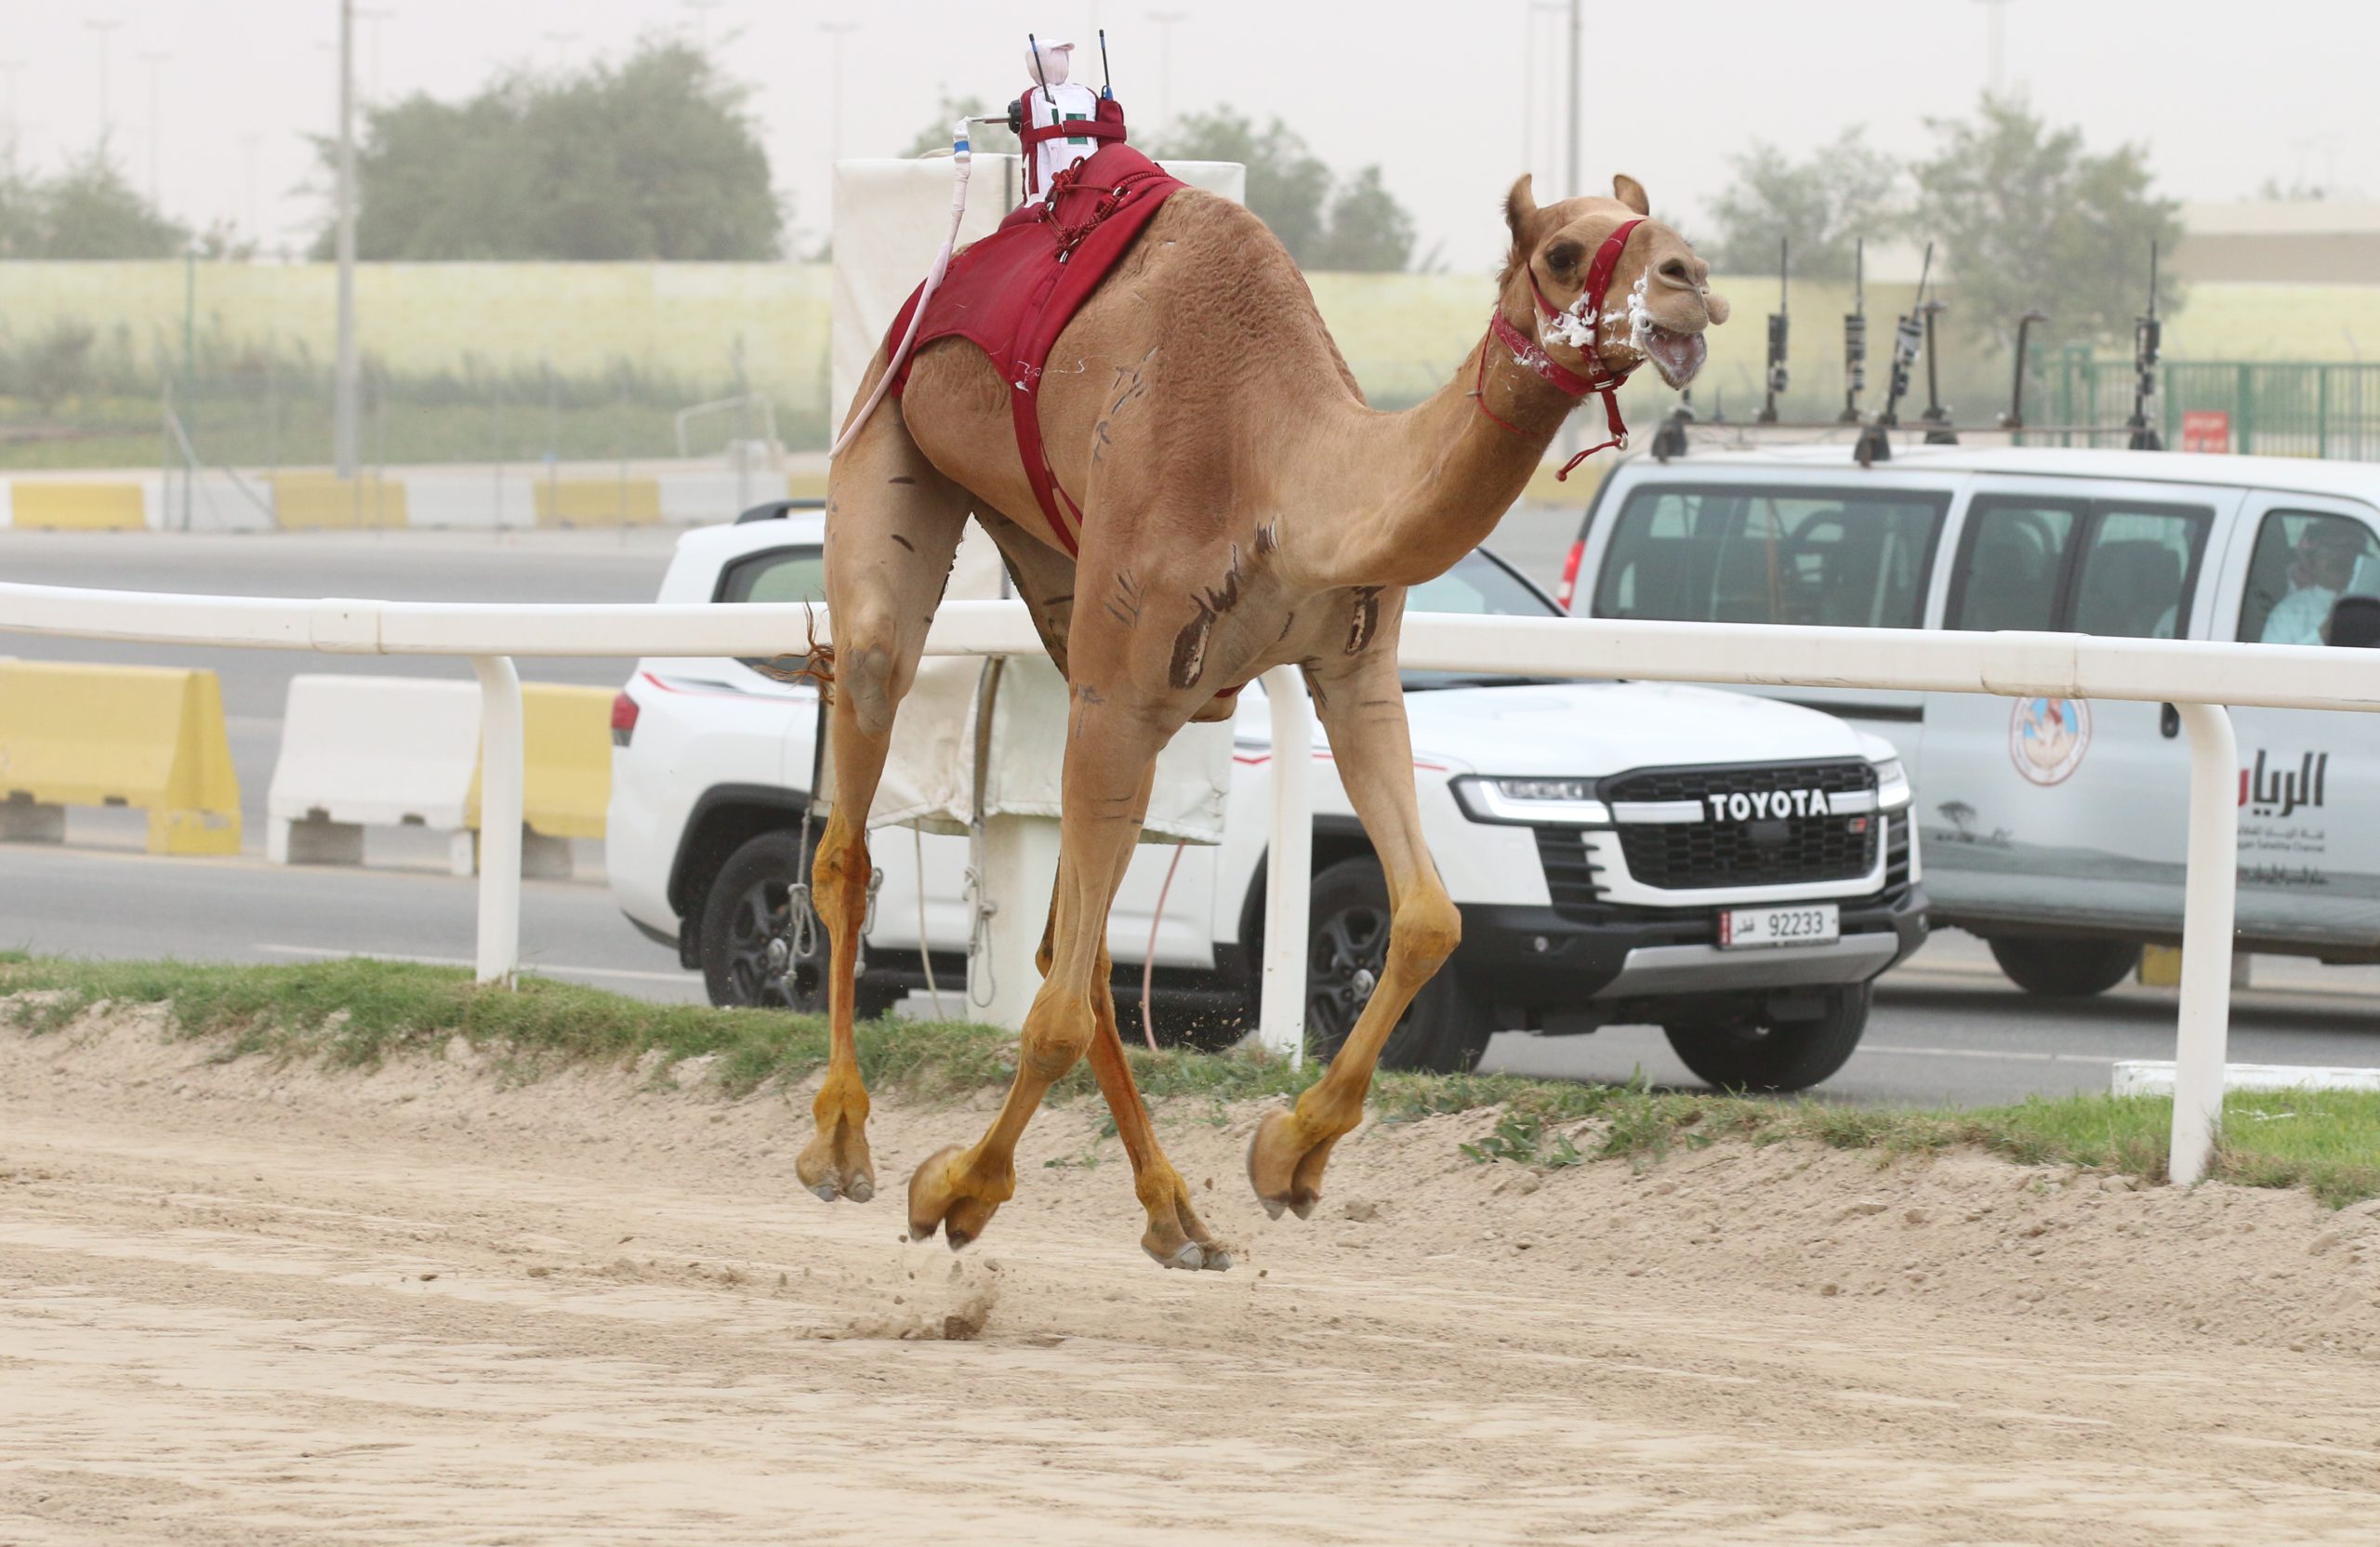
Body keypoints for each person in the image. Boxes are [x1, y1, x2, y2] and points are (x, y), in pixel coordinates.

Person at [2261, 522, 2368, 645]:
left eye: (2347, 551)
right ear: (2312, 560)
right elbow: (2273, 662)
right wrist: (2324, 632)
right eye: (2329, 550)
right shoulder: (2287, 612)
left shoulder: (2370, 605)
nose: (2338, 558)